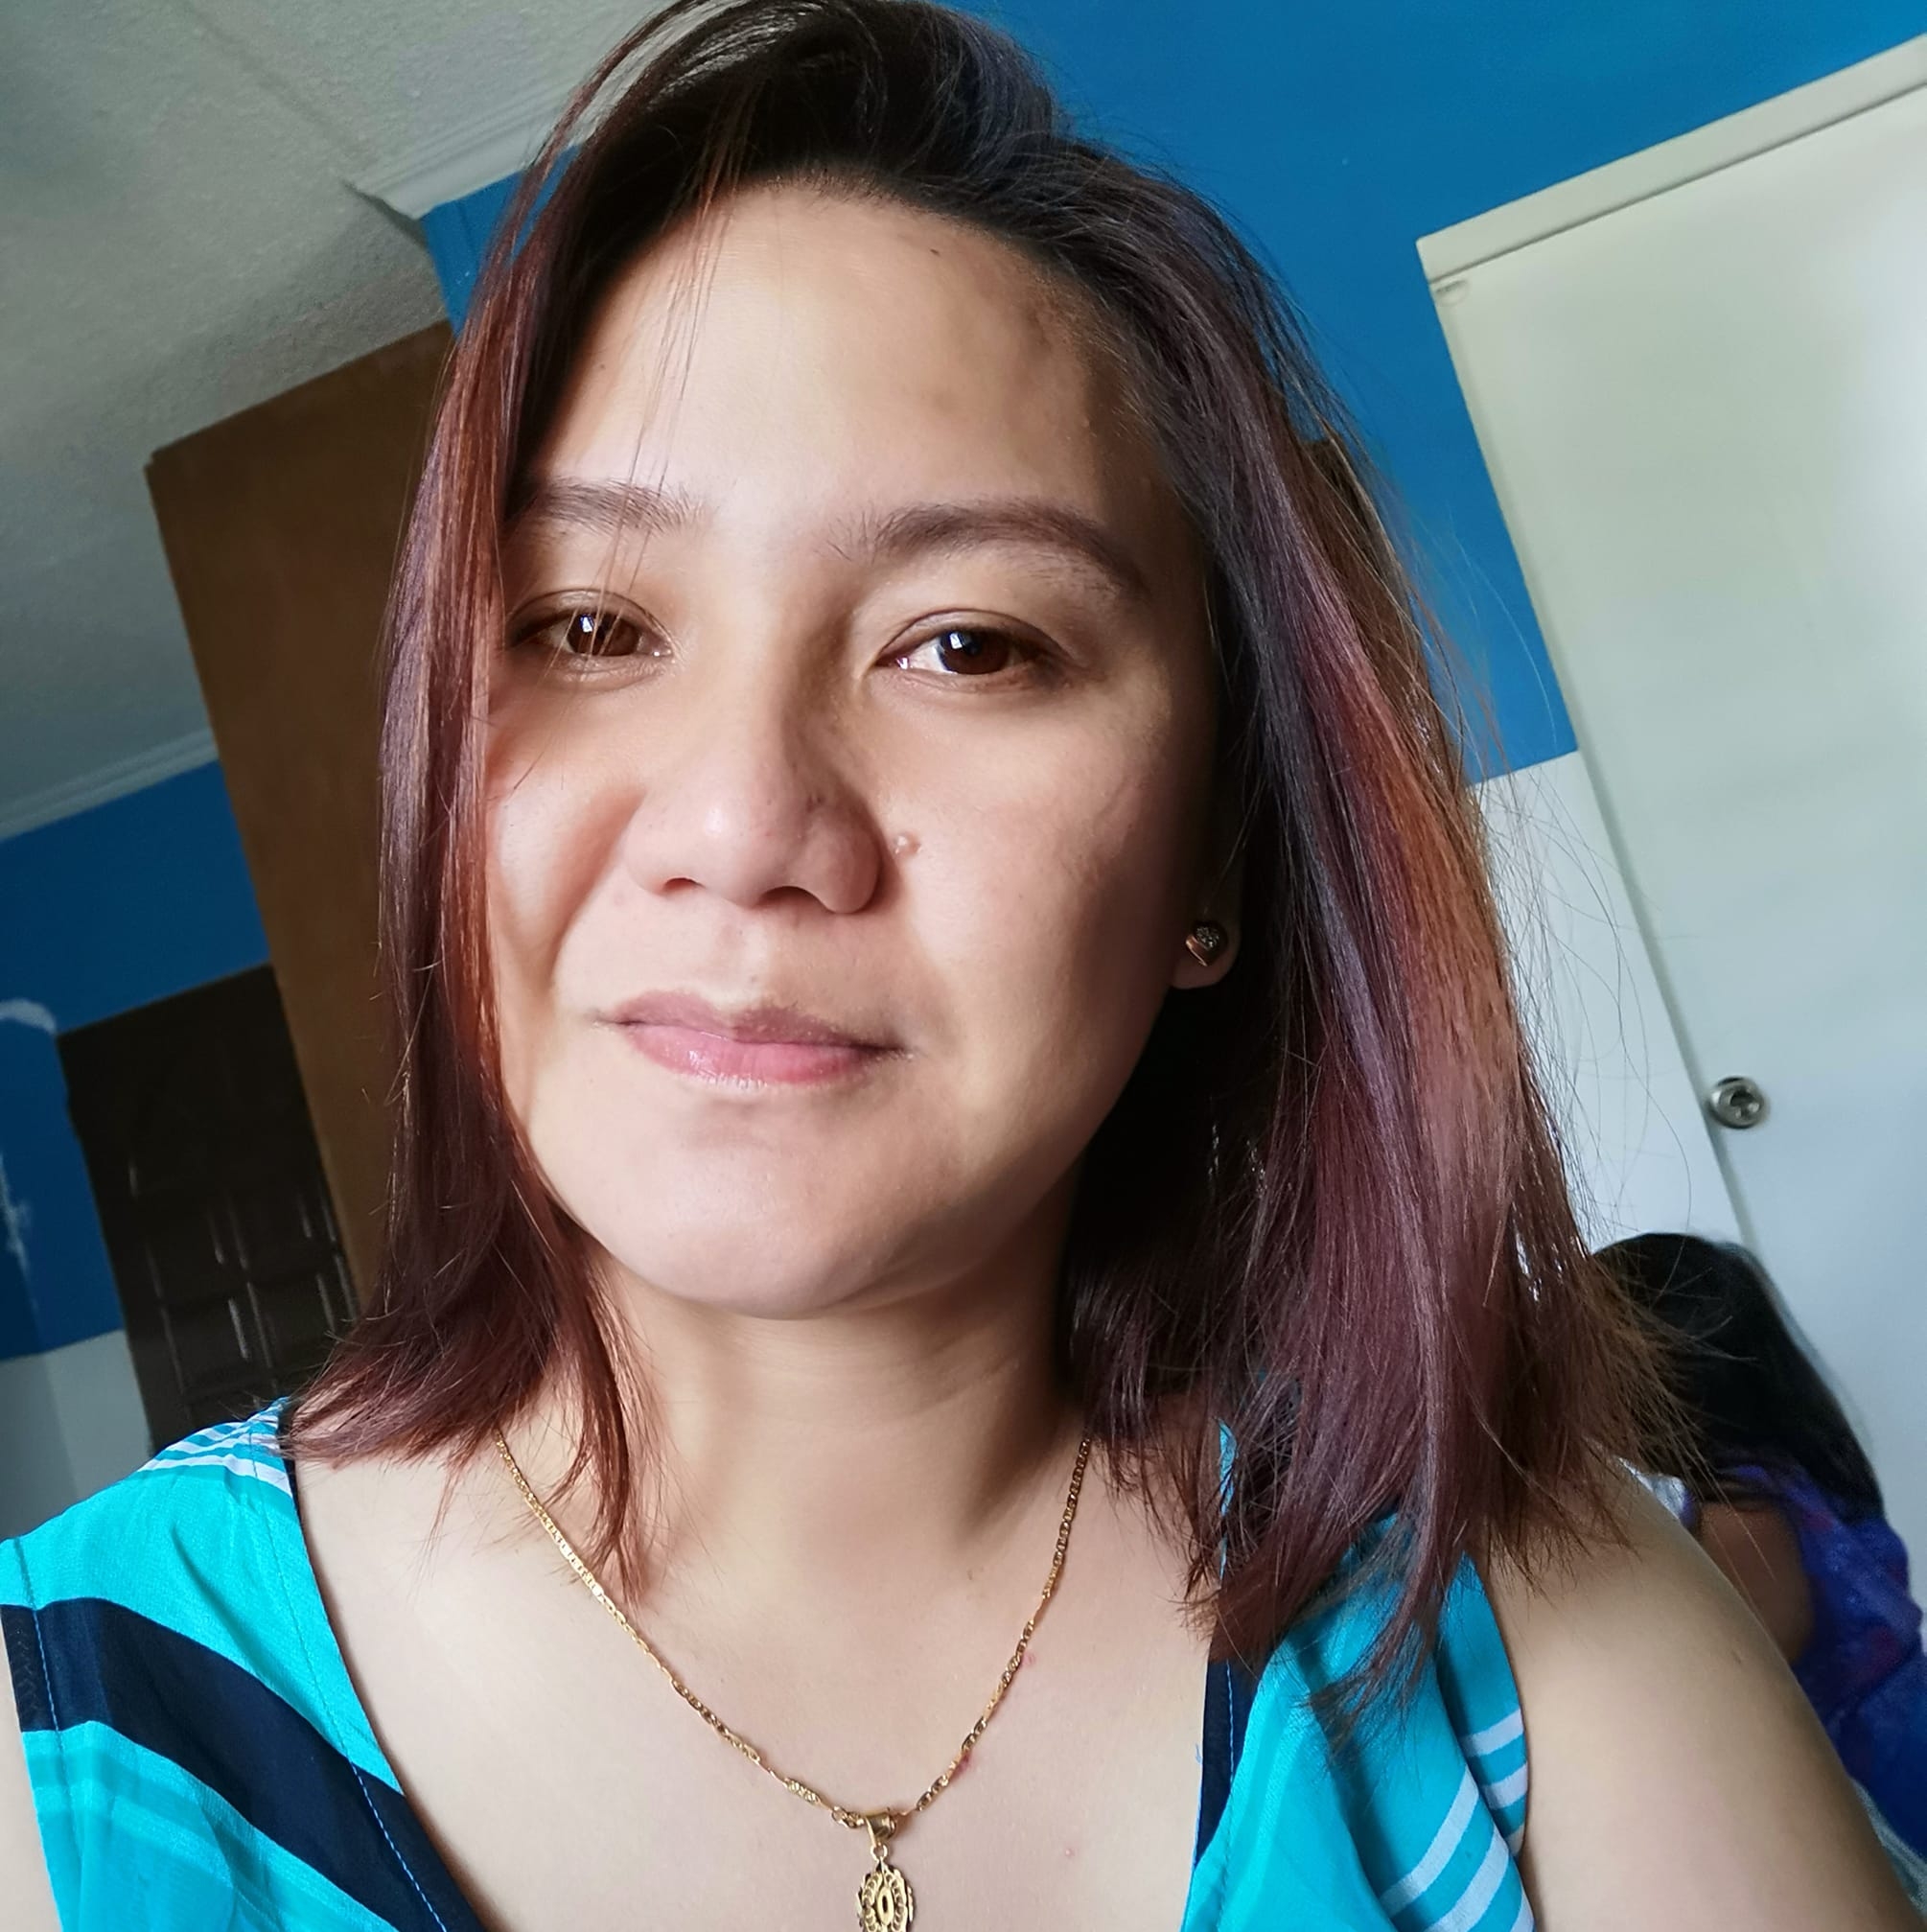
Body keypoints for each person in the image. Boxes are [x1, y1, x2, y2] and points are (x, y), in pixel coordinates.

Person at [2, 4, 1915, 1926]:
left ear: (1211, 854)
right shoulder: (65, 1748)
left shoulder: (1537, 1648)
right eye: (587, 626)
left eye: (971, 645)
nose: (743, 821)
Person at [1603, 1231, 1927, 1862]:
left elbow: (1731, 1679)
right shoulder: (1772, 1472)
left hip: (1885, 1774)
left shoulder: (1743, 1517)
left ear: (1662, 1387)